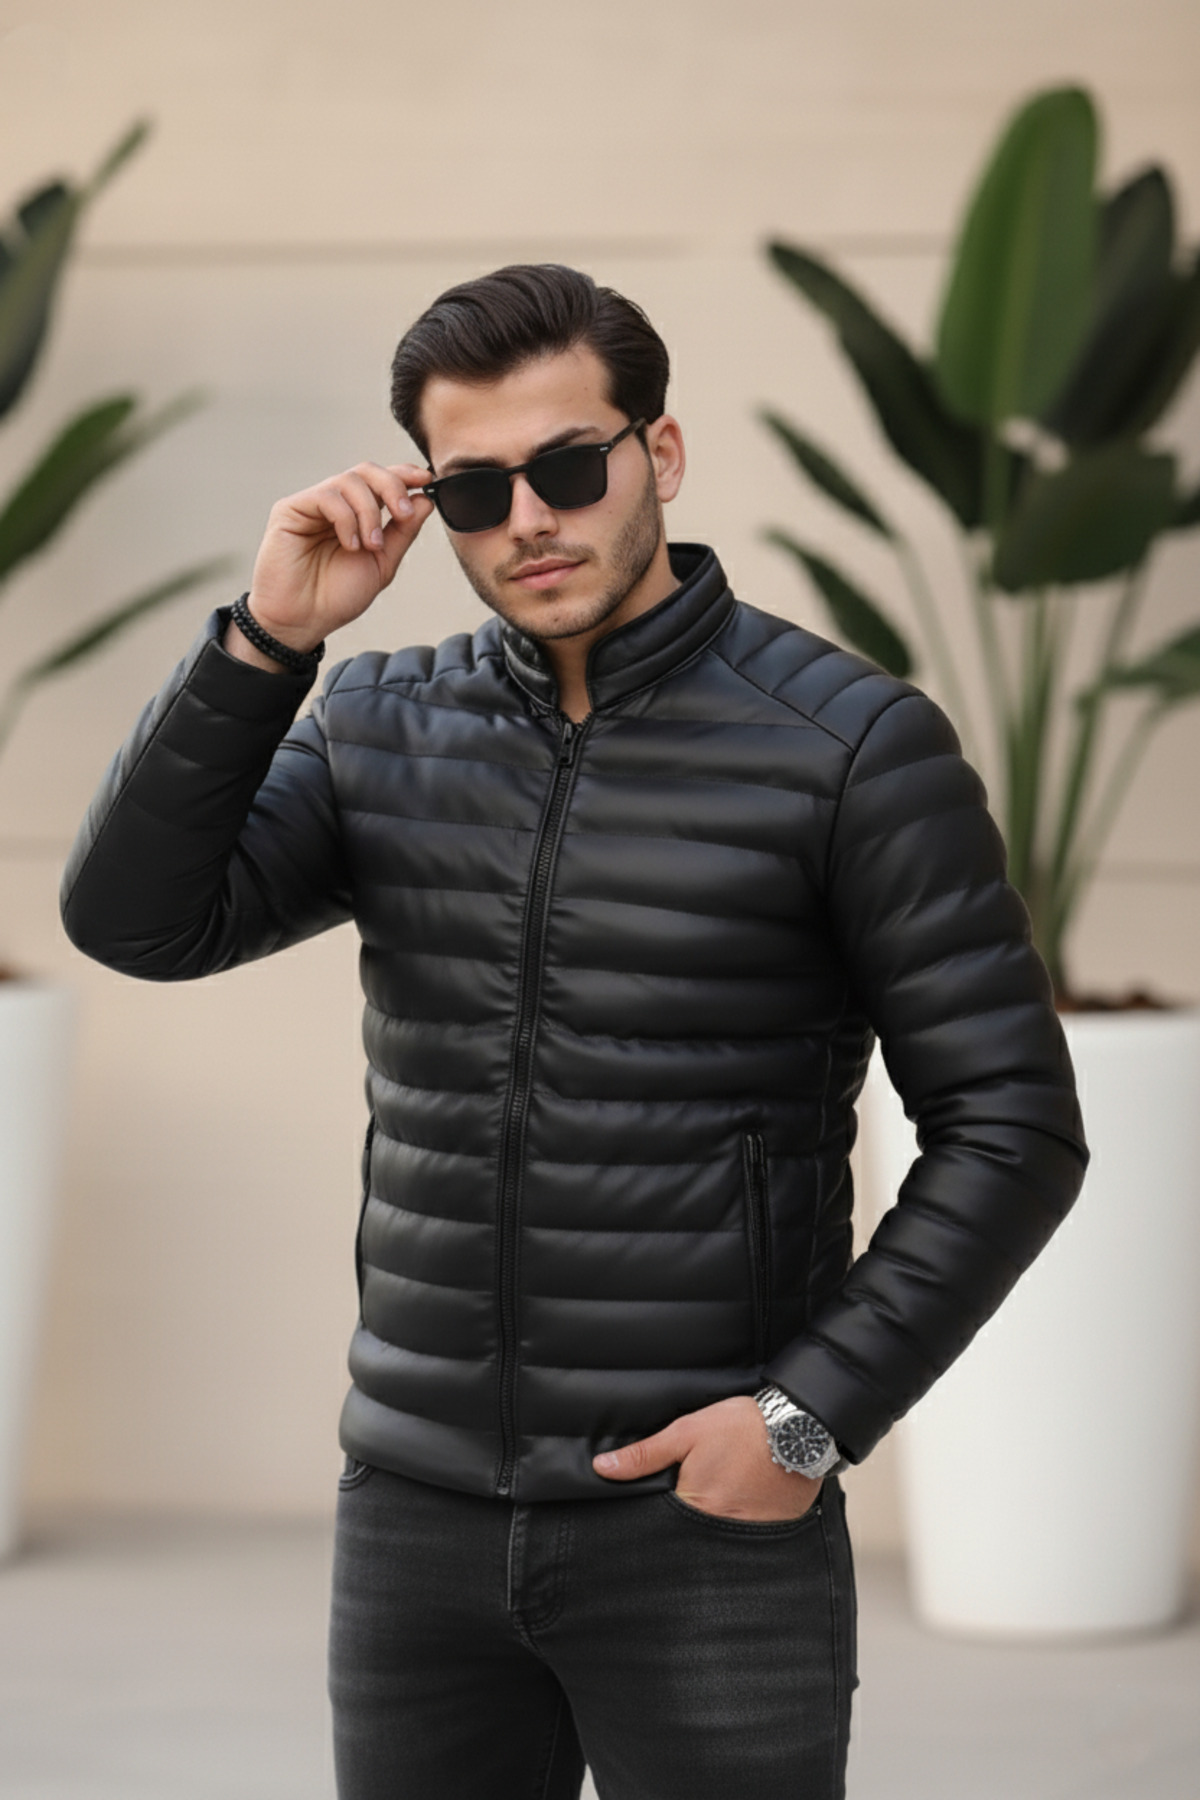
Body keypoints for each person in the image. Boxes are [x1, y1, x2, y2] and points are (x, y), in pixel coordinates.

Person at [60, 263, 1088, 1800]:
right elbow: (136, 921)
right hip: (414, 1514)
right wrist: (266, 643)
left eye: (567, 467)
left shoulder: (849, 749)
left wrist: (802, 1424)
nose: (528, 519)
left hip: (701, 1527)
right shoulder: (381, 726)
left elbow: (1012, 1124)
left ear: (657, 454)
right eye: (476, 489)